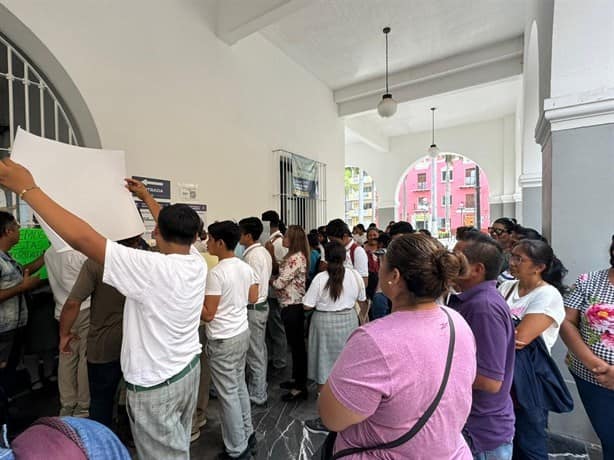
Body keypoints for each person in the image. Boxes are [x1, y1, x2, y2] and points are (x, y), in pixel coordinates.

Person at [0, 163, 207, 460]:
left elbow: (83, 239)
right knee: (176, 447)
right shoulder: (195, 260)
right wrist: (146, 196)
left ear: (156, 232)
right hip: (187, 370)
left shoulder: (151, 268)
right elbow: (173, 228)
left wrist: (27, 189)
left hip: (156, 386)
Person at [318, 233, 476, 459]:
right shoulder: (456, 321)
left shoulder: (374, 340)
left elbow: (332, 417)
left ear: (394, 276)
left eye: (383, 263)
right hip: (449, 451)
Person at [58, 235, 141, 430]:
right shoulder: (145, 260)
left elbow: (73, 302)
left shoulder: (96, 262)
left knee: (101, 399)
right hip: (136, 342)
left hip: (103, 344)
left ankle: (102, 442)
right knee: (133, 395)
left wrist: (64, 333)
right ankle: (129, 434)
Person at [498, 239, 567, 460]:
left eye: (520, 259)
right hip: (506, 372)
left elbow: (521, 338)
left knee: (530, 441)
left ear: (539, 267)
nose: (513, 262)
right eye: (512, 256)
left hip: (528, 377)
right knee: (509, 438)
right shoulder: (507, 287)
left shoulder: (548, 295)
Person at [451, 233, 515, 459]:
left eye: (456, 258)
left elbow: (489, 380)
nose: (448, 262)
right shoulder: (470, 300)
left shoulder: (483, 307)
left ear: (477, 270)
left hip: (480, 430)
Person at [202, 220, 258, 460]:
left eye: (210, 239)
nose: (207, 243)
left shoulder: (216, 273)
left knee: (227, 396)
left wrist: (190, 301)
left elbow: (209, 314)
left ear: (221, 242)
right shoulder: (244, 266)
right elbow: (253, 297)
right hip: (241, 332)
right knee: (238, 387)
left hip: (223, 339)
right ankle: (248, 434)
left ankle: (237, 450)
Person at [560, 235, 614, 459]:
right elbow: (566, 322)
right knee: (610, 438)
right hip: (593, 379)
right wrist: (597, 366)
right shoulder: (588, 281)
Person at [303, 241, 365, 433]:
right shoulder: (355, 276)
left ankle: (325, 417)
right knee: (345, 365)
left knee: (324, 366)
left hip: (323, 323)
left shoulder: (320, 278)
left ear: (326, 258)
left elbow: (307, 305)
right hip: (348, 321)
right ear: (345, 257)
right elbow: (362, 300)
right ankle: (348, 408)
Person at [0, 212, 44, 394]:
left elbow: (22, 270)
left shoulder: (6, 258)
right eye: (17, 227)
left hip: (14, 327)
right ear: (8, 231)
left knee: (8, 372)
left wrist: (47, 255)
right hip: (3, 330)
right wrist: (23, 287)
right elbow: (19, 283)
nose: (19, 230)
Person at [45, 247, 90, 417]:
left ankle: (67, 404)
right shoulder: (79, 252)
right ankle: (83, 406)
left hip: (61, 309)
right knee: (84, 358)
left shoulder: (50, 252)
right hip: (84, 307)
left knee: (67, 356)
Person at [271, 225, 310, 402]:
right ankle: (296, 379)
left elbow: (280, 283)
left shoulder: (296, 258)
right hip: (289, 306)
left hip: (293, 306)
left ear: (293, 239)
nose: (283, 239)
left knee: (297, 348)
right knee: (295, 347)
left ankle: (300, 387)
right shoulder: (293, 257)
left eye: (286, 236)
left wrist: (270, 280)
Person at [238, 217, 273, 407]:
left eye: (240, 232)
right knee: (259, 349)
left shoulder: (252, 256)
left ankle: (258, 392)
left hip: (254, 308)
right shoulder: (262, 252)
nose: (238, 236)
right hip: (260, 306)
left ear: (248, 236)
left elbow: (252, 288)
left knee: (255, 352)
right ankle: (260, 385)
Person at [261, 210, 287, 373]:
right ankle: (273, 357)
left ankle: (280, 360)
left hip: (275, 290)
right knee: (271, 327)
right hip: (269, 290)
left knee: (276, 326)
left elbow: (282, 269)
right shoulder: (270, 240)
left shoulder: (279, 243)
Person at [326, 219, 367, 286]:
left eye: (334, 241)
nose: (331, 243)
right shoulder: (332, 249)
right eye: (330, 240)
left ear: (345, 236)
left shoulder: (358, 251)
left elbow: (364, 282)